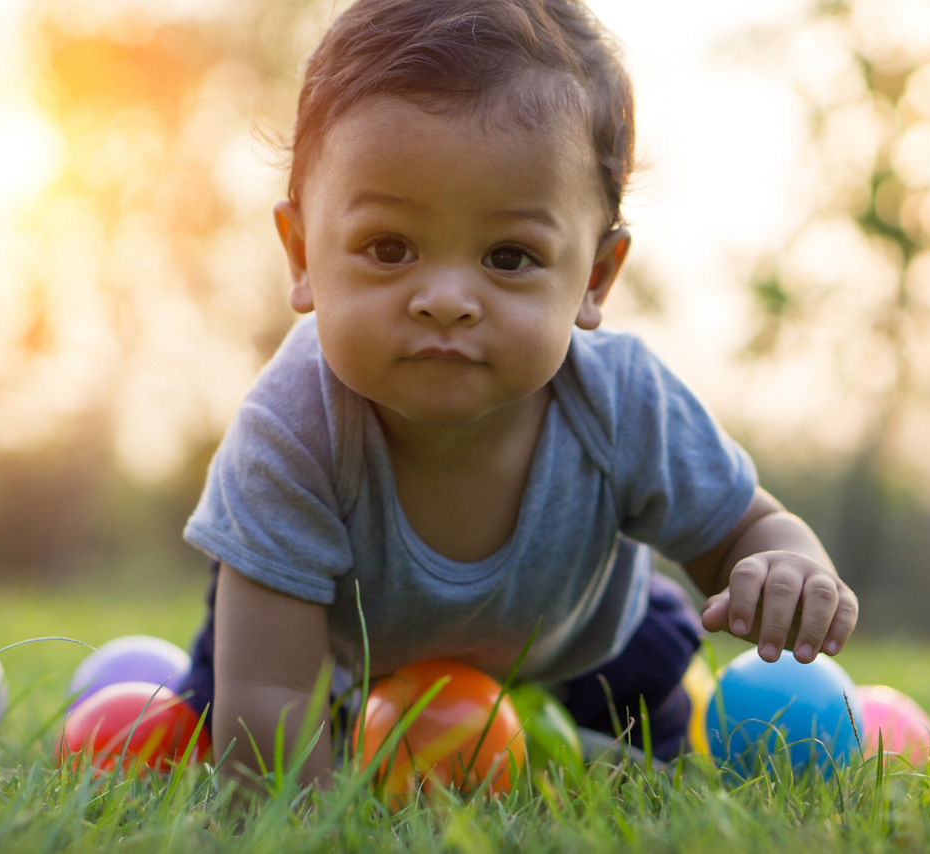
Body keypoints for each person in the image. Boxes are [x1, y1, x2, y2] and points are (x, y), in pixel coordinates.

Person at [179, 0, 858, 788]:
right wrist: (313, 818)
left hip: (584, 650)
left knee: (661, 753)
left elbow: (746, 528)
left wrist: (785, 566)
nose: (444, 298)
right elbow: (270, 692)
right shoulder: (291, 431)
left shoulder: (623, 402)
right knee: (227, 729)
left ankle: (595, 735)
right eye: (388, 247)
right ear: (302, 256)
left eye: (508, 256)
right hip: (331, 666)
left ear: (595, 279)